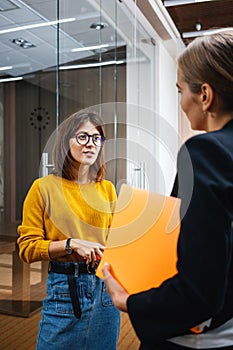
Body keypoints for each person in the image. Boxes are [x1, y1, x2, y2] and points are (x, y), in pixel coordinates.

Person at [102, 29, 233, 350]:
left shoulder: (206, 152)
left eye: (180, 92)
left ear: (204, 95)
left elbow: (199, 292)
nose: (183, 103)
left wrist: (129, 301)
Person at [17, 109, 120, 350]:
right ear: (66, 142)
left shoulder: (107, 189)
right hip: (65, 288)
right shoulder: (43, 188)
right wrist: (71, 244)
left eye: (96, 138)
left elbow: (116, 243)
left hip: (105, 290)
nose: (90, 144)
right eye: (82, 137)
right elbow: (27, 248)